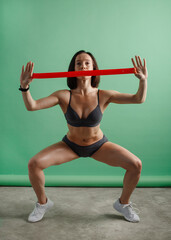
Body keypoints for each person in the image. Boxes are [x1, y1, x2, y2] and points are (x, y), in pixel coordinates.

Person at [19, 50, 148, 223]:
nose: (83, 66)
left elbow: (138, 99)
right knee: (34, 164)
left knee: (135, 164)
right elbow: (32, 106)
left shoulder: (103, 95)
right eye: (78, 63)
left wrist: (143, 81)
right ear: (73, 68)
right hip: (70, 146)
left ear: (94, 67)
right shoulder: (64, 95)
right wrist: (25, 87)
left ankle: (123, 204)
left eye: (87, 62)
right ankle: (43, 203)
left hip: (99, 146)